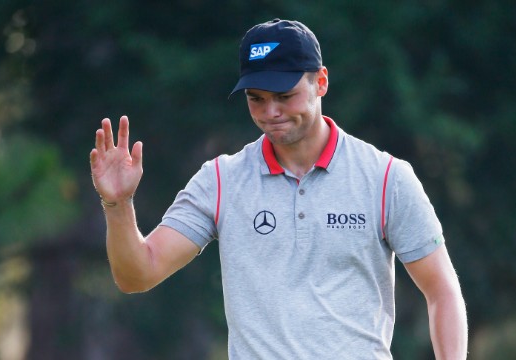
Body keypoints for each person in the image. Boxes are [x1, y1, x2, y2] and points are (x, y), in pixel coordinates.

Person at [90, 18, 468, 359]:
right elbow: (138, 275)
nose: (270, 112)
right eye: (257, 98)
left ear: (320, 81)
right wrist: (118, 203)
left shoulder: (387, 178)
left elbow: (442, 291)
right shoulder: (221, 181)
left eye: (285, 96)